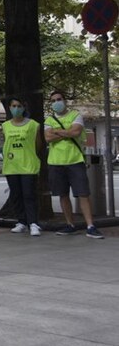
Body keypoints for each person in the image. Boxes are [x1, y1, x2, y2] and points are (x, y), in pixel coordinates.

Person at [45, 91, 104, 239]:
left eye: (59, 99)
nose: (56, 102)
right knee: (63, 195)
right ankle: (70, 225)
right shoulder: (49, 119)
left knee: (83, 194)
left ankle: (90, 226)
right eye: (53, 101)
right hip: (56, 162)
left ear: (65, 101)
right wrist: (66, 131)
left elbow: (75, 132)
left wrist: (56, 131)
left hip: (75, 161)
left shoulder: (75, 115)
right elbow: (48, 137)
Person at [3, 97, 42, 237]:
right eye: (14, 106)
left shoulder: (33, 125)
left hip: (28, 165)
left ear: (24, 107)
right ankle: (21, 222)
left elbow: (38, 145)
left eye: (19, 106)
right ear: (9, 108)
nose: (16, 108)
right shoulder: (5, 125)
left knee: (29, 195)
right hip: (11, 165)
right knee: (16, 195)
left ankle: (33, 223)